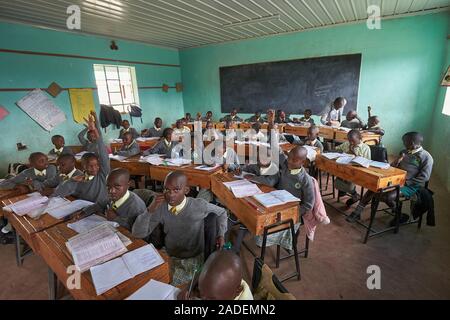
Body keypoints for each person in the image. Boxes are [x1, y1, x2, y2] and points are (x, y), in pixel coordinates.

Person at [132, 171, 228, 286]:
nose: (170, 194)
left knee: (178, 288)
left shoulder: (199, 206)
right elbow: (137, 234)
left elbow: (222, 213)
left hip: (193, 257)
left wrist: (221, 234)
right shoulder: (161, 207)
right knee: (152, 280)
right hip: (171, 254)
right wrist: (149, 210)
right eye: (167, 189)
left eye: (176, 190)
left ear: (186, 190)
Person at [347, 132, 433, 224]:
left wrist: (406, 182)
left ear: (411, 143)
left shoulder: (426, 157)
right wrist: (397, 161)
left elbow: (424, 177)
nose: (403, 144)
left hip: (411, 185)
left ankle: (399, 215)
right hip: (396, 180)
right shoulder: (404, 152)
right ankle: (357, 213)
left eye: (405, 142)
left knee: (387, 197)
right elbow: (392, 168)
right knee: (373, 187)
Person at [250, 146, 315, 250]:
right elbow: (271, 179)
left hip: (293, 212)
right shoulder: (284, 169)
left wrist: (293, 212)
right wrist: (253, 178)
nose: (289, 161)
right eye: (289, 157)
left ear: (303, 162)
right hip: (277, 205)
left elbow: (309, 204)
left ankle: (289, 240)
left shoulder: (305, 180)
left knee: (264, 230)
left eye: (294, 160)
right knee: (257, 216)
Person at [52, 112, 110, 206]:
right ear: (83, 166)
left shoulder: (102, 175)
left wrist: (95, 129)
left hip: (101, 209)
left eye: (96, 165)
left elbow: (103, 155)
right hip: (86, 211)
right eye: (90, 166)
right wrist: (72, 180)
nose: (94, 168)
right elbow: (58, 194)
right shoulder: (79, 178)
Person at [178, 251, 253, 300]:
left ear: (238, 291)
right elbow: (199, 274)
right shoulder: (228, 286)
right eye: (201, 294)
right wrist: (187, 289)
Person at [335, 130, 371, 206]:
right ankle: (350, 192)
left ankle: (354, 194)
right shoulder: (347, 144)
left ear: (359, 138)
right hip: (344, 169)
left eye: (353, 141)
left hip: (357, 171)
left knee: (346, 185)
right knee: (337, 183)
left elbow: (366, 162)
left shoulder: (365, 148)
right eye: (349, 140)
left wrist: (353, 153)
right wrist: (339, 151)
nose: (351, 143)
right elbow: (337, 148)